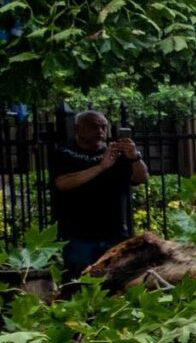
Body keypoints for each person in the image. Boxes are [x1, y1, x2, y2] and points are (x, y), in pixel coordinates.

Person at [49, 111, 146, 275]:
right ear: (78, 129)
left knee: (116, 282)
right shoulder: (64, 154)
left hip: (115, 233)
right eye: (94, 127)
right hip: (78, 235)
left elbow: (141, 178)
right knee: (79, 281)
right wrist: (101, 167)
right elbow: (62, 183)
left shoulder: (117, 153)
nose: (100, 131)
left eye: (103, 127)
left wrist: (134, 157)